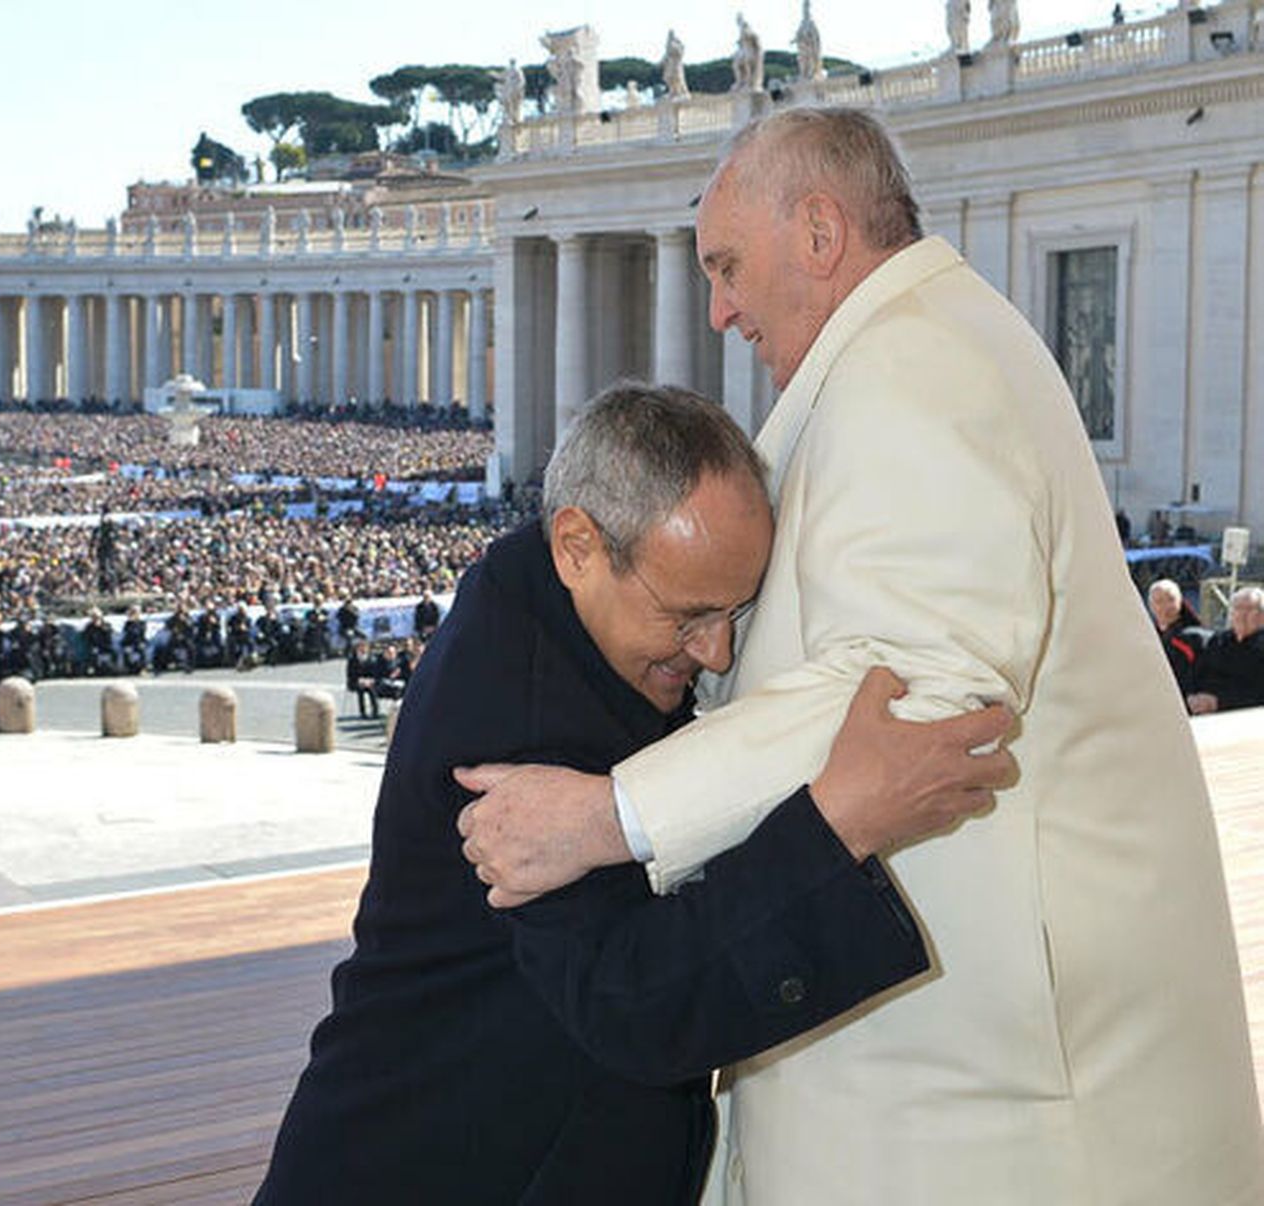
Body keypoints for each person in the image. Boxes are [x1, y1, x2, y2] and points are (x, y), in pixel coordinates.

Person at [456, 108, 1261, 1204]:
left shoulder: (917, 369)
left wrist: (606, 817)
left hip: (992, 1099)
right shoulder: (907, 354)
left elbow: (912, 693)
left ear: (821, 233)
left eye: (729, 266)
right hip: (937, 1061)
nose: (719, 308)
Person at [252, 384, 1011, 1206]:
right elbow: (635, 1004)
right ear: (579, 546)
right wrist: (842, 820)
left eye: (736, 614)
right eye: (688, 617)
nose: (716, 653)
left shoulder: (548, 598)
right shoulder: (519, 719)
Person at [1188, 586, 1264, 715]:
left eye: (1249, 609)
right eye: (1237, 608)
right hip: (1206, 716)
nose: (1241, 614)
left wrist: (1219, 702)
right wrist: (1192, 697)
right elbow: (1198, 674)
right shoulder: (1218, 640)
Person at [1147, 577, 1208, 698]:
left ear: (1180, 601)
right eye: (1159, 601)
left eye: (1171, 599)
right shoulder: (1148, 637)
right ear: (1151, 606)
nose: (1165, 606)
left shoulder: (1193, 637)